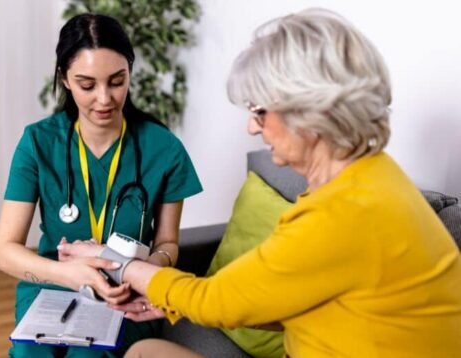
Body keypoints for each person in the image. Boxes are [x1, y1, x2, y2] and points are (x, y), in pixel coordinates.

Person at [59, 8, 461, 357]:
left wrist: (115, 263)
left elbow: (216, 301)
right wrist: (171, 302)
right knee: (146, 351)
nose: (252, 127)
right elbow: (300, 304)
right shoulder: (375, 177)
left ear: (310, 112)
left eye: (260, 110)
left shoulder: (342, 215)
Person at [0, 13, 203, 358]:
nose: (104, 98)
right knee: (32, 354)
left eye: (117, 81)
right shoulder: (37, 143)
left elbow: (168, 242)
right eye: (87, 85)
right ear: (64, 79)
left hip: (126, 292)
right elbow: (5, 251)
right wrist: (69, 274)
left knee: (90, 355)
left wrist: (147, 271)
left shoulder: (163, 148)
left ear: (130, 73)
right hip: (54, 281)